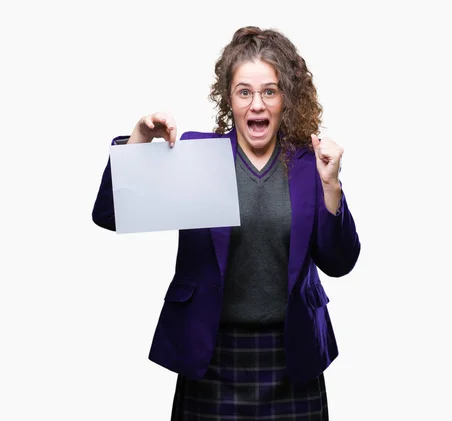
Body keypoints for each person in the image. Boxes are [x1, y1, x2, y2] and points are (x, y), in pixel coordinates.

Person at [92, 26, 360, 420]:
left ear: (286, 98)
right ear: (228, 98)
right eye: (244, 91)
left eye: (270, 91)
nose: (257, 105)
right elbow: (110, 214)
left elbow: (339, 263)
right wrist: (139, 142)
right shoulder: (197, 158)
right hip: (212, 358)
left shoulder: (310, 163)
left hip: (292, 357)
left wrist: (331, 185)